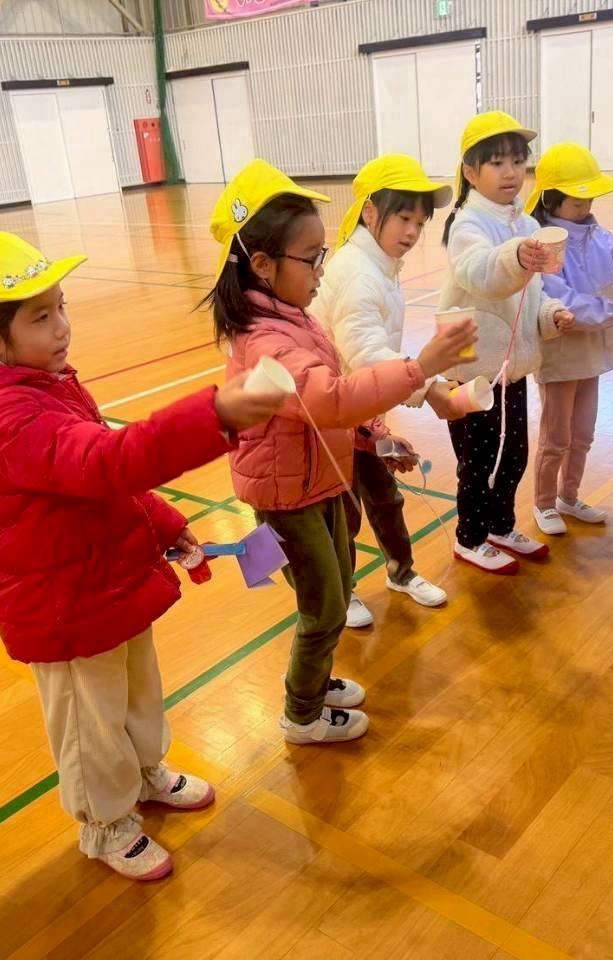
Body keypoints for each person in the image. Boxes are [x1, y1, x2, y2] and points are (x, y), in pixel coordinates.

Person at [0, 230, 283, 881]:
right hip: (62, 598)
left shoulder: (43, 383)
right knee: (89, 721)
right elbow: (105, 460)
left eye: (61, 307)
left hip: (106, 574)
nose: (62, 327)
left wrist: (164, 523)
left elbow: (100, 480)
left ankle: (143, 773)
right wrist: (215, 415)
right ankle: (104, 821)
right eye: (40, 317)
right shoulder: (1, 413)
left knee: (136, 690)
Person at [206, 160, 476, 745]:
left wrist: (371, 436)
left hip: (318, 480)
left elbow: (325, 406)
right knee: (325, 607)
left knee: (337, 584)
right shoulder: (266, 339)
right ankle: (301, 714)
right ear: (263, 265)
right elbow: (327, 398)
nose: (321, 271)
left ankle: (318, 679)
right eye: (311, 259)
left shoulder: (294, 317)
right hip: (287, 499)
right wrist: (420, 369)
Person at [309, 153, 456, 628]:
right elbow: (367, 351)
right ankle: (345, 590)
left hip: (364, 413)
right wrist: (429, 386)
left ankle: (401, 572)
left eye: (420, 222)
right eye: (403, 218)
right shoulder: (358, 271)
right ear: (370, 212)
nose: (412, 231)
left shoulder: (380, 265)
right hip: (336, 418)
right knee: (347, 511)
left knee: (386, 498)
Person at [439, 111, 575, 574]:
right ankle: (469, 538)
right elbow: (482, 274)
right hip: (472, 365)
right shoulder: (466, 225)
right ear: (470, 172)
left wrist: (551, 315)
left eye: (518, 161)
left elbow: (532, 293)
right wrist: (516, 255)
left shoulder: (528, 226)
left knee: (513, 453)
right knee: (478, 459)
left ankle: (499, 525)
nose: (511, 172)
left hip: (510, 365)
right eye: (497, 163)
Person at [527, 142, 613, 535]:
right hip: (561, 356)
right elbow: (564, 301)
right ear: (551, 199)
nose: (585, 207)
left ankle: (568, 497)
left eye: (589, 200)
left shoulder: (593, 232)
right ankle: (544, 503)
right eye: (577, 201)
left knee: (582, 433)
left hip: (591, 354)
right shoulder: (544, 242)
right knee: (556, 436)